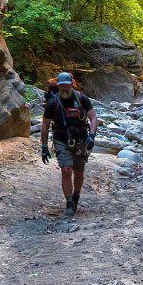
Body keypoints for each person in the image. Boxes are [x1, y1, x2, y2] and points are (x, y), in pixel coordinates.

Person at [40, 72, 98, 215]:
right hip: (61, 140)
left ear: (71, 85)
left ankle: (76, 195)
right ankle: (69, 204)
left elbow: (93, 117)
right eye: (62, 86)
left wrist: (92, 136)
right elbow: (45, 126)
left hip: (81, 140)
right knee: (66, 170)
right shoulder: (52, 103)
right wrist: (44, 147)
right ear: (58, 86)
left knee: (79, 172)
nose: (64, 89)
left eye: (67, 86)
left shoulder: (81, 99)